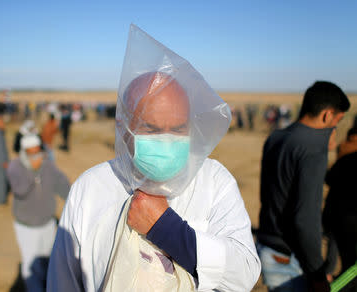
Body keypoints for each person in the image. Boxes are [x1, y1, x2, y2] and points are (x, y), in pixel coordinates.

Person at [48, 71, 261, 292]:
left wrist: (167, 229)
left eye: (178, 130)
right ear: (124, 129)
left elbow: (244, 274)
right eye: (151, 129)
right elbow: (63, 282)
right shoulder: (91, 188)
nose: (166, 142)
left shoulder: (214, 181)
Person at [257, 81, 350, 292]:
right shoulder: (313, 150)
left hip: (268, 248)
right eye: (338, 121)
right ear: (327, 115)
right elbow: (305, 219)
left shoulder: (276, 137)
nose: (335, 129)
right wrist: (317, 273)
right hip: (292, 258)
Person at [7, 134, 70, 292]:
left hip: (47, 223)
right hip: (26, 226)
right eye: (31, 153)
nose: (36, 156)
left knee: (45, 260)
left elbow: (62, 184)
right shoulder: (15, 167)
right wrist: (33, 171)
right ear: (23, 153)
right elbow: (19, 189)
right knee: (30, 264)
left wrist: (73, 199)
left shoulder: (47, 165)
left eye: (38, 152)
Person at [322, 126, 357, 276]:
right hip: (349, 215)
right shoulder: (350, 152)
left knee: (335, 253)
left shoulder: (343, 148)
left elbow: (329, 178)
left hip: (336, 210)